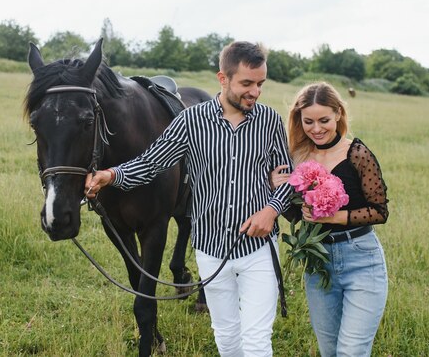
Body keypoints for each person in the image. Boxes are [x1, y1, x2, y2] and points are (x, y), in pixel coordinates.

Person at [85, 41, 293, 357]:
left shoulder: (270, 122)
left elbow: (287, 178)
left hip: (258, 249)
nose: (255, 92)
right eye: (246, 84)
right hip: (210, 248)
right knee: (226, 337)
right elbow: (151, 162)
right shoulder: (190, 121)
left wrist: (272, 209)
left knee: (256, 340)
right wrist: (110, 175)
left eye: (260, 84)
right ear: (222, 79)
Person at [271, 82, 389, 357]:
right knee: (330, 350)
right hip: (318, 261)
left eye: (324, 120)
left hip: (361, 259)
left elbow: (380, 210)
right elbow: (294, 216)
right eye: (308, 121)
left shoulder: (357, 154)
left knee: (351, 352)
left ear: (338, 114)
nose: (316, 129)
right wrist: (280, 190)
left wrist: (337, 216)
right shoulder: (298, 157)